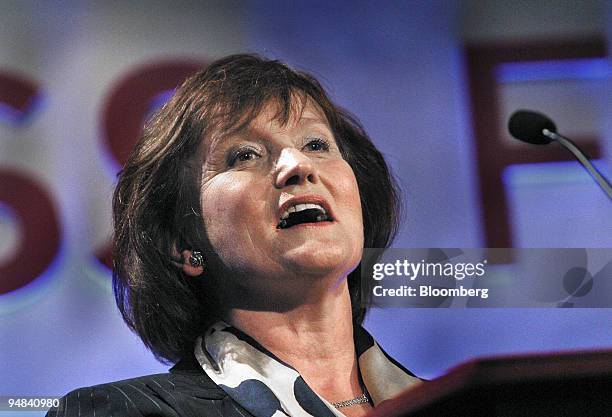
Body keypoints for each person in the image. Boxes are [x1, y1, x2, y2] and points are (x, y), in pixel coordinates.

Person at [47, 54, 422, 417]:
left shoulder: (466, 403)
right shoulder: (121, 412)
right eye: (245, 154)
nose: (298, 165)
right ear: (182, 246)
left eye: (316, 144)